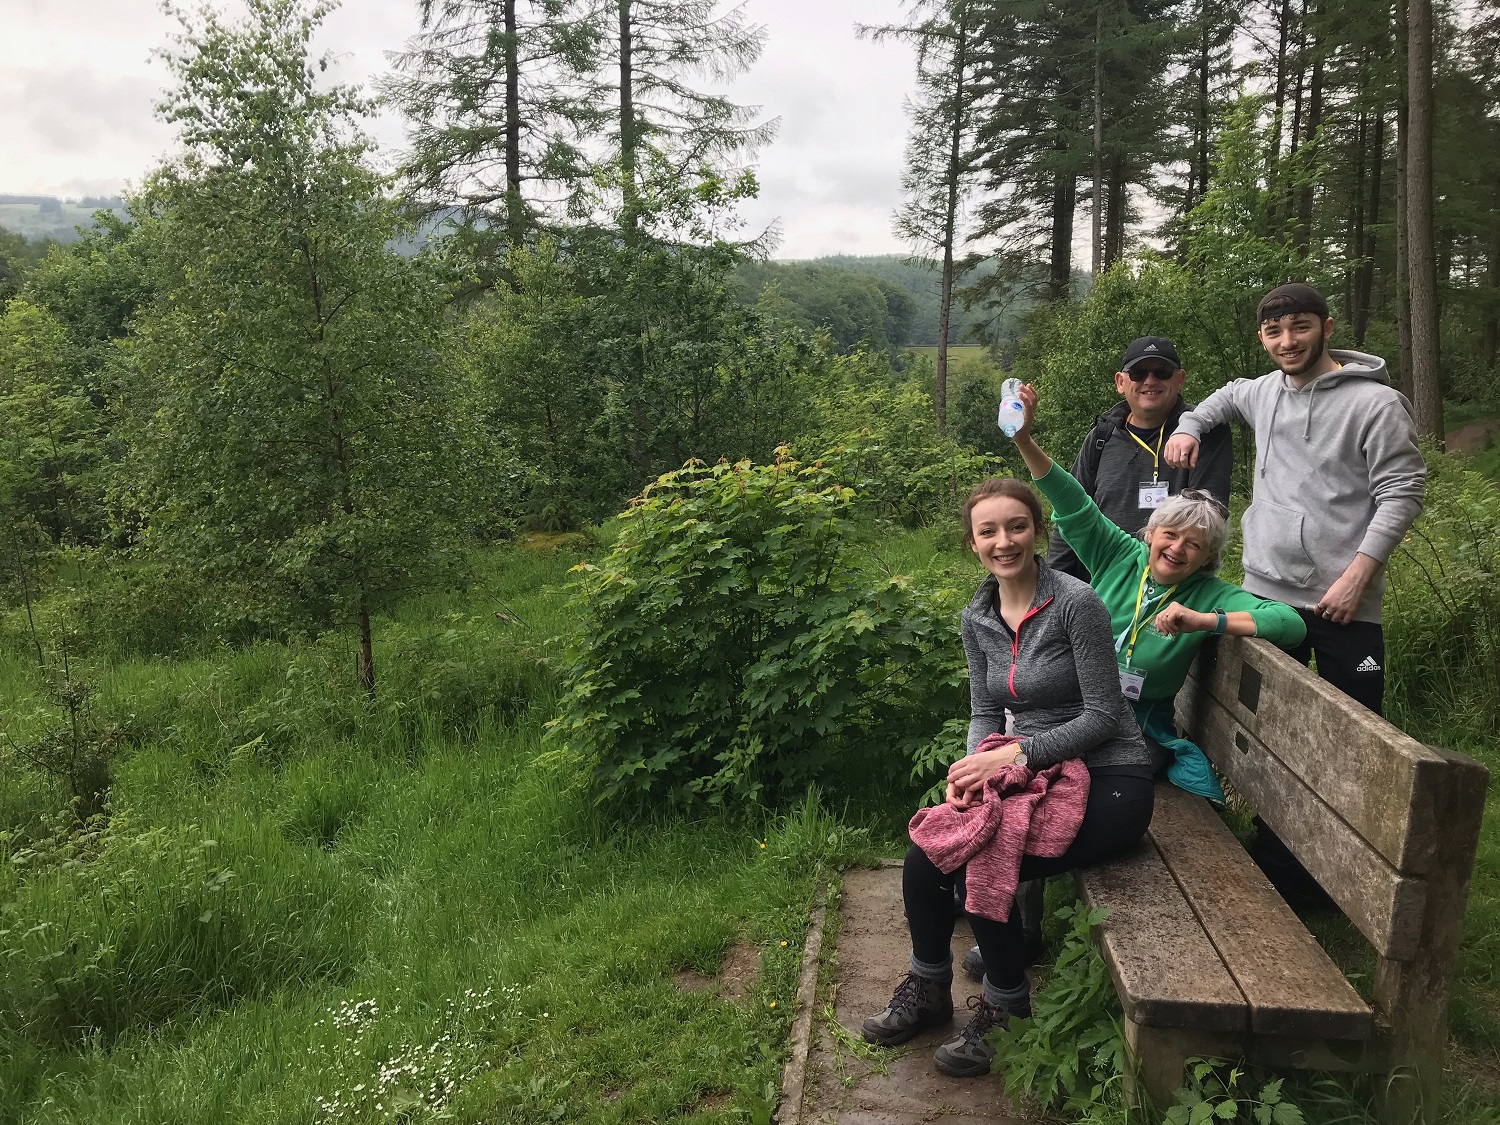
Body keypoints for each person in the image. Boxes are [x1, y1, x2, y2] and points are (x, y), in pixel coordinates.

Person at [955, 384, 1307, 985]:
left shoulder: (1207, 595)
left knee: (1023, 779)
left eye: (1194, 545)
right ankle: (1011, 922)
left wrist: (1206, 622)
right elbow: (1069, 500)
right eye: (1169, 535)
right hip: (1064, 718)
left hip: (1125, 737)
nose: (1177, 548)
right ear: (1150, 535)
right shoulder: (1121, 558)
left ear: (1206, 557)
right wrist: (1023, 440)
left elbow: (1290, 623)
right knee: (1016, 770)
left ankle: (1003, 916)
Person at [860, 477, 1156, 1078]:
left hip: (1111, 777)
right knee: (926, 852)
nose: (1004, 541)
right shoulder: (977, 616)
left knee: (987, 858)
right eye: (988, 531)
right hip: (1027, 771)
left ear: (1038, 532)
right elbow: (984, 711)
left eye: (1016, 526)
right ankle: (929, 988)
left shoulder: (1077, 603)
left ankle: (1006, 1006)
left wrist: (1018, 756)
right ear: (972, 543)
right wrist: (973, 771)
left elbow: (1104, 714)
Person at [1162, 282, 1426, 902]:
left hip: (1345, 605)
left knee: (1349, 742)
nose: (1288, 342)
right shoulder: (1263, 393)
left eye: (1300, 328)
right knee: (1268, 731)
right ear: (1262, 337)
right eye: (1275, 332)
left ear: (1326, 328)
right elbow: (1224, 397)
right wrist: (1190, 425)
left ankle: (1344, 874)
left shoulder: (1377, 405)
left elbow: (1403, 492)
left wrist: (1357, 577)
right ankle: (1278, 863)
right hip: (1266, 598)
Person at [1046, 336, 1233, 583]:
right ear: (1120, 382)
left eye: (1162, 372)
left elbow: (1208, 519)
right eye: (1138, 373)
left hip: (1170, 586)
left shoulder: (1204, 434)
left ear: (1180, 380)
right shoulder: (1101, 437)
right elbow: (1070, 512)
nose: (1150, 380)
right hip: (1100, 580)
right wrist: (1053, 580)